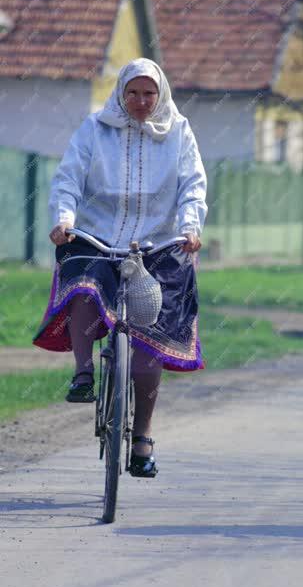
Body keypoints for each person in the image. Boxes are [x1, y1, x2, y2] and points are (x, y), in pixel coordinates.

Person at [33, 58, 207, 478]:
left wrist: (189, 228)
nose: (141, 101)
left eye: (149, 94)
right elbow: (69, 178)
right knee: (83, 281)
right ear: (120, 94)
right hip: (97, 235)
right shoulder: (95, 128)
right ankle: (82, 372)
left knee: (147, 345)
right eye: (133, 93)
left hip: (159, 244)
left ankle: (143, 436)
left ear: (161, 94)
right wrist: (64, 220)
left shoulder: (179, 131)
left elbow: (192, 186)